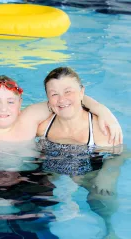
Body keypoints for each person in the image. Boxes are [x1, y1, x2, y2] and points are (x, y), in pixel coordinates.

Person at [35, 66, 125, 239]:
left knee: (103, 197)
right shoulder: (42, 127)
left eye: (68, 91)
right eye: (54, 94)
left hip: (88, 169)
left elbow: (121, 153)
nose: (62, 99)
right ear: (48, 98)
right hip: (54, 167)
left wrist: (106, 174)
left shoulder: (100, 128)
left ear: (82, 92)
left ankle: (109, 228)